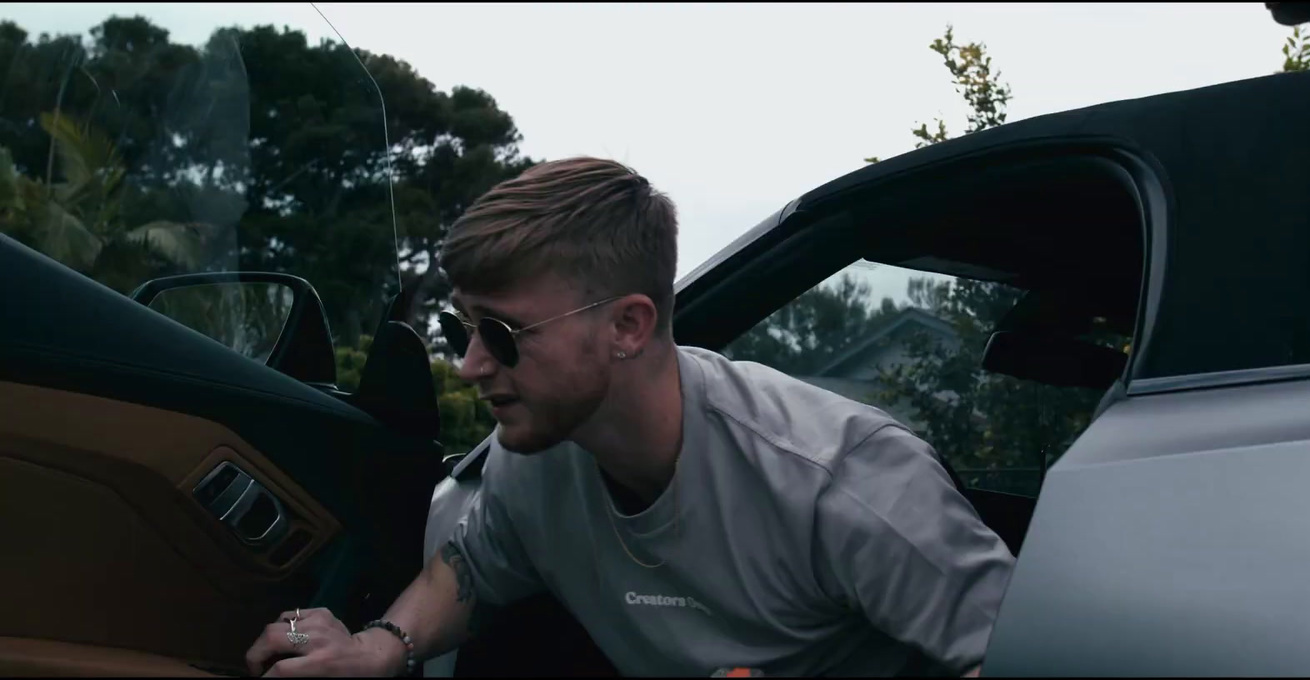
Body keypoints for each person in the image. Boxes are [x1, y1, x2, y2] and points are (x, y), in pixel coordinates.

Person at [243, 157, 1016, 677]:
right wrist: (382, 648)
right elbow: (472, 568)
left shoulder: (843, 478)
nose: (471, 365)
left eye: (502, 335)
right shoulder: (534, 457)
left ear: (628, 326)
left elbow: (1015, 653)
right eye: (460, 330)